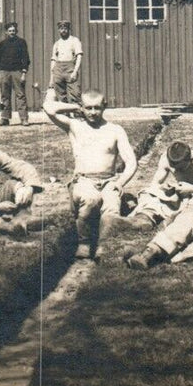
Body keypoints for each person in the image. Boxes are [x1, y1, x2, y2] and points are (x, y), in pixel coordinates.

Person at [44, 89, 138, 259]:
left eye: (97, 108)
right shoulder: (75, 126)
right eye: (88, 108)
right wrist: (75, 106)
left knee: (111, 208)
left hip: (109, 180)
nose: (93, 113)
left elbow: (131, 162)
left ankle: (103, 244)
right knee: (90, 200)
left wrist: (120, 183)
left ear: (105, 106)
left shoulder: (115, 130)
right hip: (84, 181)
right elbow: (48, 107)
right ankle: (84, 242)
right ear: (82, 108)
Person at [123, 140, 193, 230]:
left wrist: (192, 188)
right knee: (148, 193)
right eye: (174, 168)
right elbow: (155, 184)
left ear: (191, 160)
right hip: (182, 196)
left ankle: (172, 220)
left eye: (181, 168)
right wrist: (165, 187)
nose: (177, 171)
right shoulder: (165, 158)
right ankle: (144, 218)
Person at [0, 22, 32, 126]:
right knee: (4, 96)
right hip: (4, 72)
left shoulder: (21, 42)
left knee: (20, 95)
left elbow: (25, 58)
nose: (12, 32)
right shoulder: (2, 43)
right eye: (10, 31)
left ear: (16, 31)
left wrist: (24, 72)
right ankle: (4, 118)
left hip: (17, 71)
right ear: (6, 32)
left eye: (13, 30)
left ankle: (24, 118)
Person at [49, 20, 84, 104]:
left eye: (65, 28)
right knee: (60, 94)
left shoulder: (74, 40)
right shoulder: (57, 43)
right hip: (58, 69)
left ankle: (77, 114)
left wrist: (75, 71)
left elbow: (79, 56)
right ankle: (65, 114)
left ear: (68, 29)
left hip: (70, 68)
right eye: (61, 28)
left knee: (75, 93)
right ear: (58, 30)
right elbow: (53, 60)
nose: (63, 30)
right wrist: (51, 78)